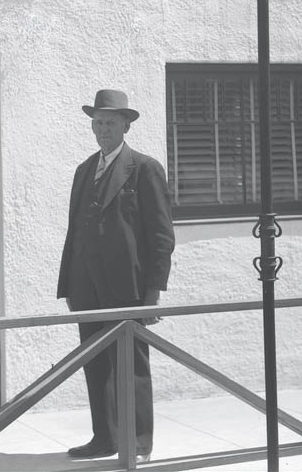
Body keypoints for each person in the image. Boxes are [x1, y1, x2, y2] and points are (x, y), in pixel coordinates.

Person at [57, 89, 176, 462]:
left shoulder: (144, 168)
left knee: (131, 366)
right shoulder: (83, 169)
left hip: (128, 287)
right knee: (96, 364)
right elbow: (75, 229)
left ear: (126, 125)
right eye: (97, 122)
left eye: (110, 122)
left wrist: (153, 292)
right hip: (86, 287)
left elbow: (161, 235)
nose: (102, 128)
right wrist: (69, 284)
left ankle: (138, 443)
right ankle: (104, 438)